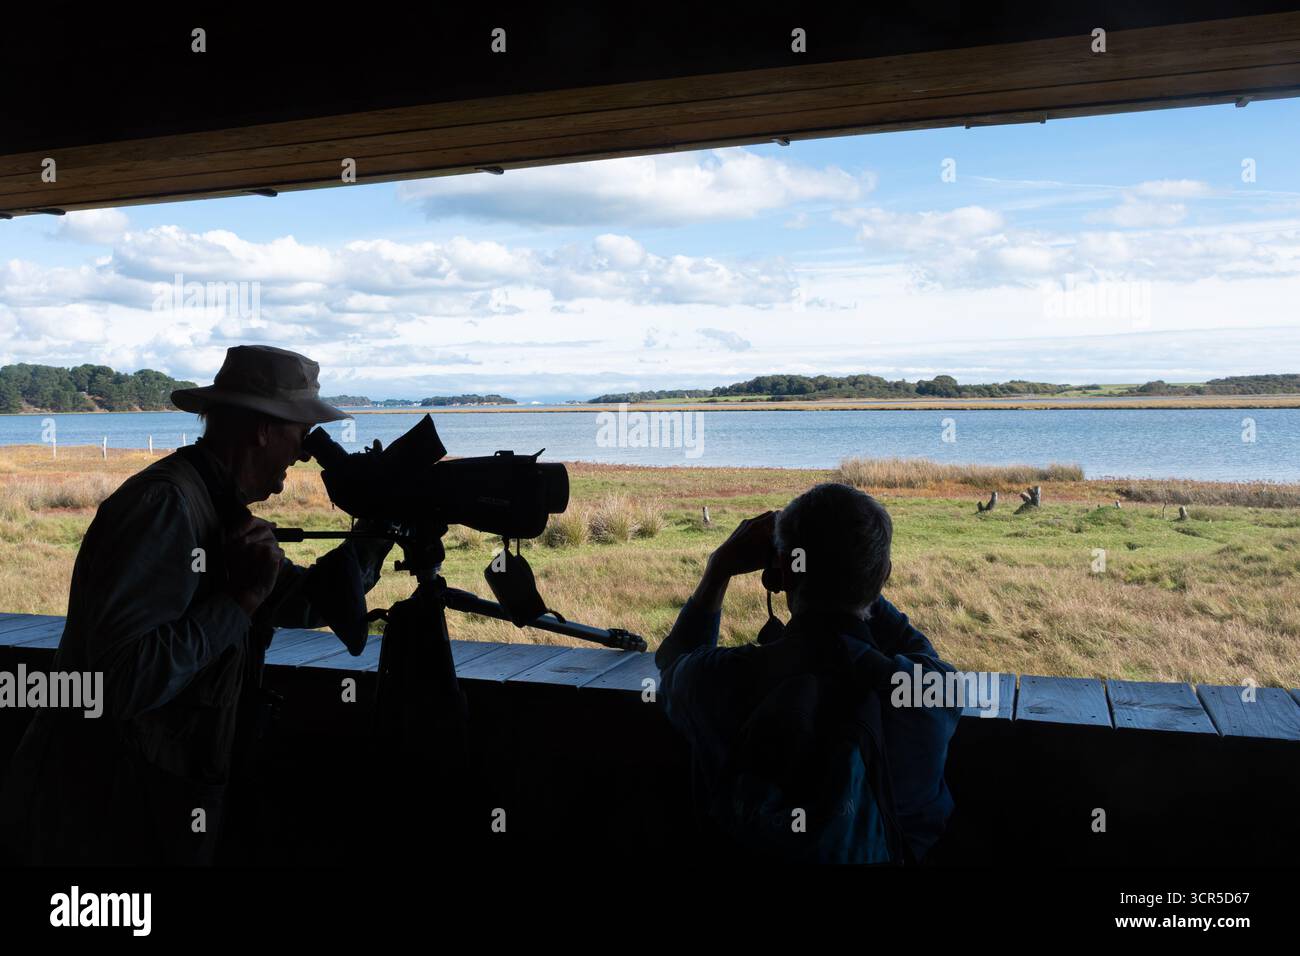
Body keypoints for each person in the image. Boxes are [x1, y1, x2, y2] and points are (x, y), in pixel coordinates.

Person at [0, 345, 393, 865]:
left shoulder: (216, 506)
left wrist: (379, 530)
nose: (303, 453)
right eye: (301, 433)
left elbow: (302, 603)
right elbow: (118, 683)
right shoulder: (165, 508)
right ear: (262, 430)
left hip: (152, 801)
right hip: (103, 816)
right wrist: (240, 599)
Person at [656, 482, 961, 863]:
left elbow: (673, 661)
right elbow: (922, 654)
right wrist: (857, 570)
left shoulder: (718, 680)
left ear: (783, 572)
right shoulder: (927, 695)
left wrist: (719, 569)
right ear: (883, 576)